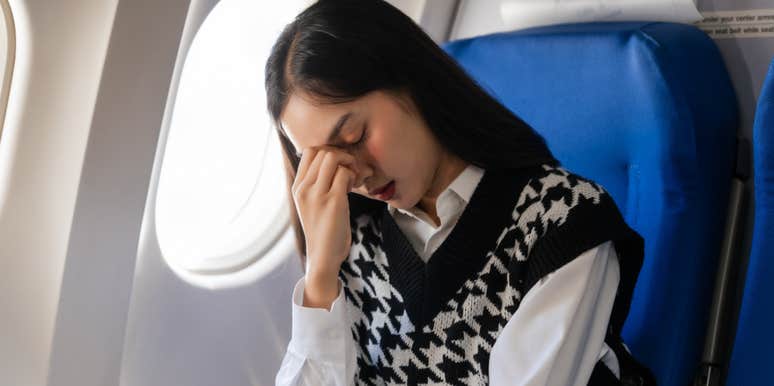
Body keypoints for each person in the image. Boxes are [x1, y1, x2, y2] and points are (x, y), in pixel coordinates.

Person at [266, 0, 655, 384]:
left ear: (411, 81)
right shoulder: (349, 241)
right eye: (325, 163)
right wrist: (321, 272)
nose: (356, 176)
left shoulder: (562, 221)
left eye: (355, 136)